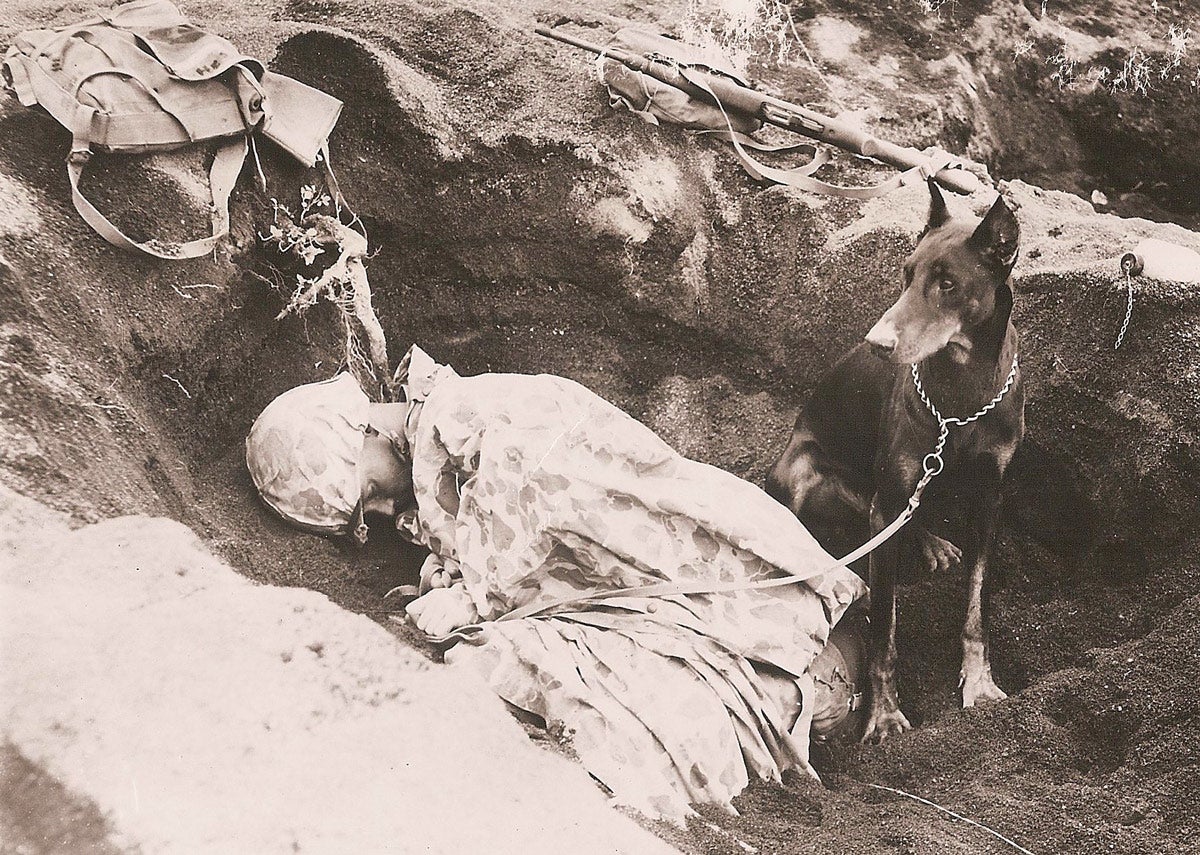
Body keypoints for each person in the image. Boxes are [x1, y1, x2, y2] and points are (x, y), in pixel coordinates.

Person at [246, 345, 867, 818]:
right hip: (646, 612)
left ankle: (804, 695)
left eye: (371, 493)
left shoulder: (475, 416)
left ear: (364, 430)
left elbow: (543, 506)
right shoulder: (434, 458)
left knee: (593, 705)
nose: (382, 515)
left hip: (738, 599)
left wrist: (471, 595)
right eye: (364, 519)